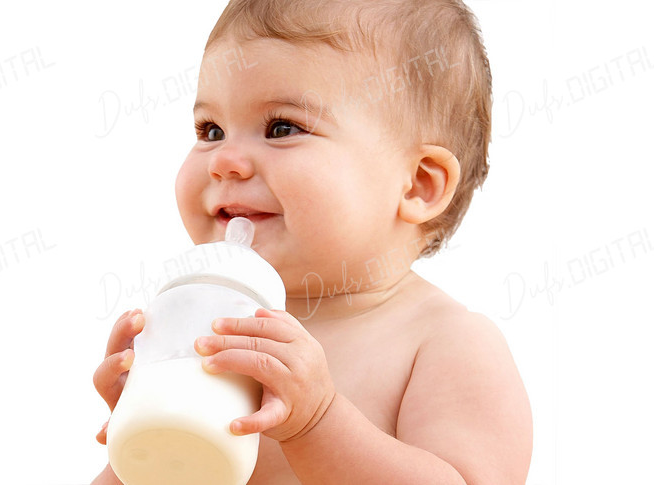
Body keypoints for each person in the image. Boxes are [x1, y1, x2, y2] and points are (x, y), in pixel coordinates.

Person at [92, 0, 533, 483]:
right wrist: (149, 435)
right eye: (211, 130)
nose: (225, 161)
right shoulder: (207, 333)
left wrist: (318, 422)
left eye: (282, 128)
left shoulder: (446, 342)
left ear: (417, 184)